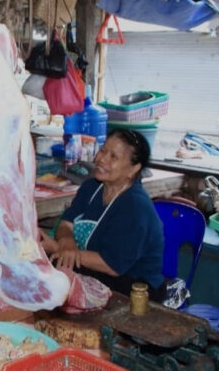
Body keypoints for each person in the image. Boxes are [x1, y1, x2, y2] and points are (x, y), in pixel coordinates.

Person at [41, 129, 166, 301]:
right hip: (96, 271)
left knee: (55, 273)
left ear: (134, 169)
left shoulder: (135, 206)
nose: (101, 159)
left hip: (135, 287)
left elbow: (112, 265)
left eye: (113, 156)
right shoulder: (91, 187)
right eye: (103, 150)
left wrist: (58, 249)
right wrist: (66, 241)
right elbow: (66, 223)